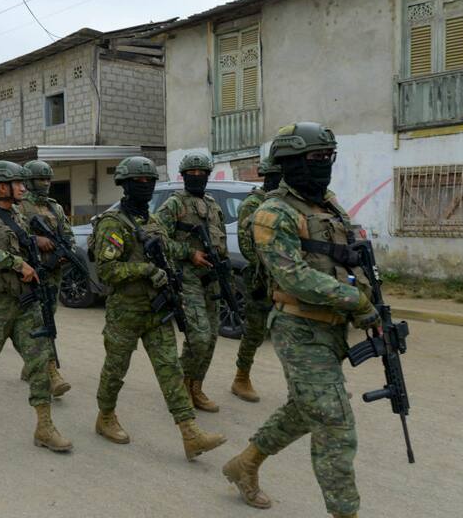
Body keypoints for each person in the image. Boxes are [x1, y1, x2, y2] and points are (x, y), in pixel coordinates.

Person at [222, 123, 381, 518]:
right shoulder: (272, 213)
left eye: (328, 157)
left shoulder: (328, 206)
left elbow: (350, 258)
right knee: (333, 421)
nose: (324, 164)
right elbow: (293, 277)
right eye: (315, 158)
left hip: (333, 326)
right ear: (290, 162)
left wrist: (374, 303)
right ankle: (345, 512)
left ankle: (245, 463)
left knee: (306, 408)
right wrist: (357, 302)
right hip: (299, 328)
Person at [92, 156, 226, 460]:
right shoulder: (113, 223)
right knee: (115, 370)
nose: (145, 186)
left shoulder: (152, 222)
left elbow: (168, 251)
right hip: (126, 312)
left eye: (149, 181)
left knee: (170, 370)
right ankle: (105, 416)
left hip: (157, 310)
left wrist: (186, 259)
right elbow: (107, 271)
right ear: (125, 185)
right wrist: (146, 270)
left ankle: (190, 433)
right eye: (138, 182)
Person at [0, 160, 72, 453]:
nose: (24, 187)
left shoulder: (19, 216)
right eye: (18, 183)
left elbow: (26, 247)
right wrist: (17, 263)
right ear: (1, 186)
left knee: (39, 360)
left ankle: (45, 426)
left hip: (26, 302)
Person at [155, 152, 227, 412]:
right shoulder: (174, 204)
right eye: (191, 174)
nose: (197, 177)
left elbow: (221, 241)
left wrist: (225, 272)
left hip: (212, 278)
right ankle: (181, 386)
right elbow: (157, 239)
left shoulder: (213, 205)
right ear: (183, 176)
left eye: (201, 174)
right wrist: (189, 253)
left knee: (212, 337)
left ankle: (196, 386)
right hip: (187, 278)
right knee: (199, 337)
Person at [17, 159, 72, 397]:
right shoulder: (19, 206)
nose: (46, 183)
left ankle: (31, 365)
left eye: (48, 179)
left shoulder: (54, 207)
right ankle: (51, 373)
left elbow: (66, 233)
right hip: (31, 274)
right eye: (41, 179)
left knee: (49, 316)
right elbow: (13, 236)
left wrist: (65, 252)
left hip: (53, 273)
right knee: (41, 322)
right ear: (29, 181)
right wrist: (35, 240)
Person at [230, 158, 283, 402]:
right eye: (274, 176)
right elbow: (246, 245)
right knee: (254, 331)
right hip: (260, 279)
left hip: (286, 278)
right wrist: (270, 268)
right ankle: (241, 378)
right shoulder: (253, 204)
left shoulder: (286, 203)